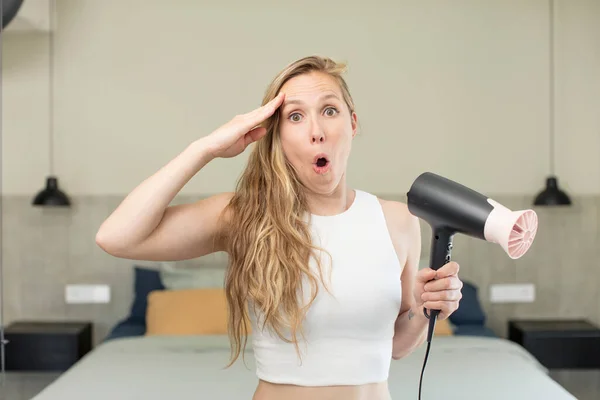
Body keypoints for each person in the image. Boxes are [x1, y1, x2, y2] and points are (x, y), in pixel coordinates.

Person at [96, 55, 463, 400]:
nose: (316, 131)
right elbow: (116, 237)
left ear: (352, 123)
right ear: (277, 135)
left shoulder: (399, 220)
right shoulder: (245, 215)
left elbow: (395, 347)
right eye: (295, 117)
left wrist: (423, 308)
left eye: (329, 110)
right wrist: (205, 148)